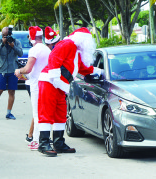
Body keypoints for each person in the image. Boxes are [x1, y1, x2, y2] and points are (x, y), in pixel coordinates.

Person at [37, 28, 102, 156]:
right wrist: (55, 79)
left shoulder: (75, 50)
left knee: (60, 113)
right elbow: (54, 58)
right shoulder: (67, 44)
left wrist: (98, 71)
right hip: (50, 81)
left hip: (60, 85)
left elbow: (82, 68)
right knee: (47, 112)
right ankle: (43, 143)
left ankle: (58, 143)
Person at [15, 26, 60, 151]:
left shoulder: (34, 50)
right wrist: (25, 75)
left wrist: (19, 71)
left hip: (36, 85)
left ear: (32, 37)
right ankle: (40, 139)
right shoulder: (47, 49)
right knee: (42, 112)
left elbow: (28, 68)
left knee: (37, 112)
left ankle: (36, 140)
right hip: (46, 83)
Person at [0, 27, 23, 121]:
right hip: (1, 69)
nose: (6, 37)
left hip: (12, 69)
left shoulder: (16, 41)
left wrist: (13, 46)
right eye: (4, 36)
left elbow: (20, 53)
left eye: (7, 35)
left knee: (11, 91)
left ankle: (9, 113)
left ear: (11, 34)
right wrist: (2, 43)